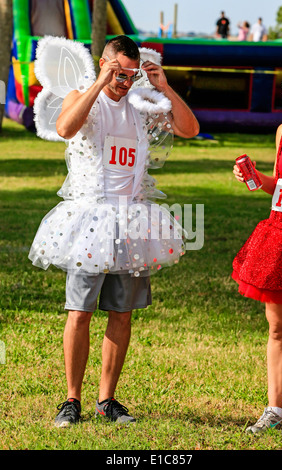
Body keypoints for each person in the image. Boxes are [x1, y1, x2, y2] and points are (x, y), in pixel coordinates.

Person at [29, 34, 199, 427]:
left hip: (133, 220)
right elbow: (67, 127)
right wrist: (99, 83)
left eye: (129, 75)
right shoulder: (82, 97)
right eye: (117, 73)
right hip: (90, 221)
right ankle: (71, 400)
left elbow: (189, 129)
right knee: (80, 311)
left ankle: (107, 399)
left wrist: (164, 87)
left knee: (121, 312)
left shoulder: (141, 108)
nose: (123, 82)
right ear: (105, 64)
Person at [232, 52, 282, 434]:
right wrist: (254, 176)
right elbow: (280, 185)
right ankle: (275, 409)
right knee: (278, 330)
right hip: (281, 236)